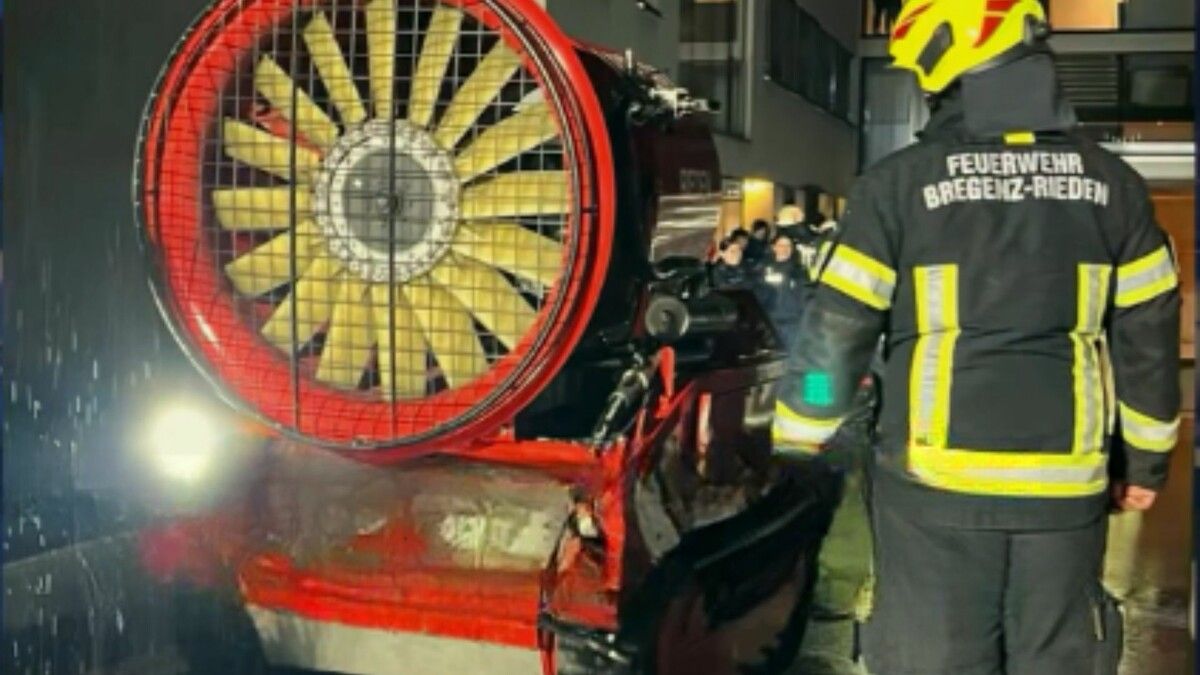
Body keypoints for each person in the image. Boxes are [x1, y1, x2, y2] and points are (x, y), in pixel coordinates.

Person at [774, 2, 1180, 674]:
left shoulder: (897, 187)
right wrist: (1144, 465)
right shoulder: (1117, 189)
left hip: (933, 493)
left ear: (948, 59)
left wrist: (803, 423)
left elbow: (836, 332)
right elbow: (1150, 343)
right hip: (1066, 490)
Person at [755, 234, 807, 339]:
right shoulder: (763, 269)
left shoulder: (798, 270)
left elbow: (804, 296)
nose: (785, 249)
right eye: (781, 245)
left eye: (788, 245)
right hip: (770, 323)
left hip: (792, 323)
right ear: (774, 247)